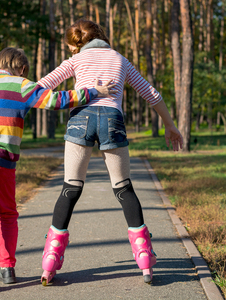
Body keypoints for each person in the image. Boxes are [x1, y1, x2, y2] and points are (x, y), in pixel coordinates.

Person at [0, 47, 116, 294]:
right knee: (7, 214)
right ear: (21, 69)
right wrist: (94, 92)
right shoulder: (21, 85)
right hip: (0, 159)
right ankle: (7, 269)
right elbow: (55, 100)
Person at [38, 20, 183, 285]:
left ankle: (50, 261)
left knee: (70, 188)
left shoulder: (75, 60)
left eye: (71, 47)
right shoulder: (119, 59)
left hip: (81, 118)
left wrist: (79, 93)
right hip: (112, 120)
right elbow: (151, 94)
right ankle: (144, 260)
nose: (71, 51)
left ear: (78, 43)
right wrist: (170, 126)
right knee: (123, 188)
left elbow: (40, 88)